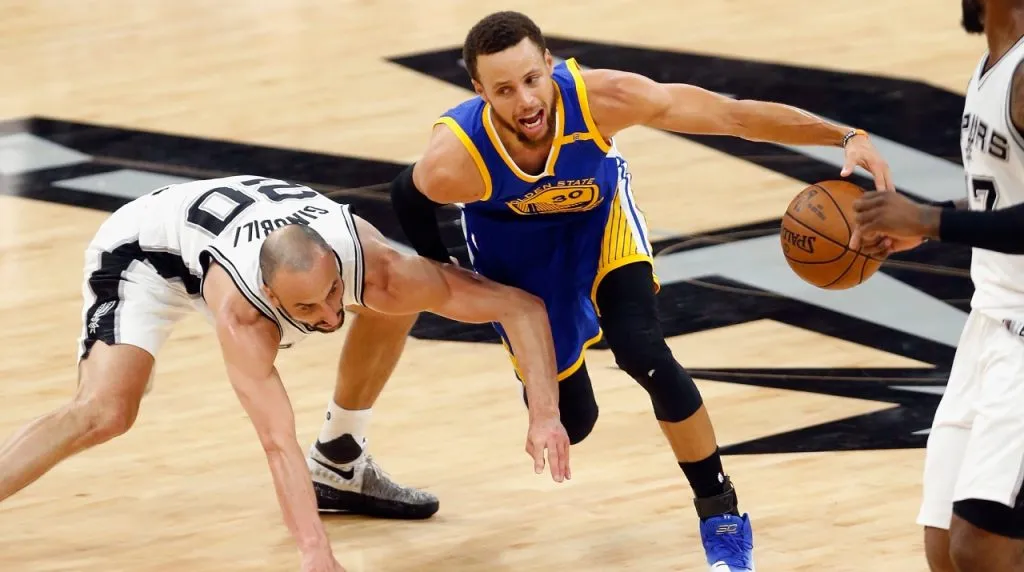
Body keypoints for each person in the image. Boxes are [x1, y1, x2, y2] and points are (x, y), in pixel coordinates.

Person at [388, 10, 894, 572]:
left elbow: (733, 117)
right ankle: (555, 390)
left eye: (532, 80)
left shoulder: (606, 99)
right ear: (480, 91)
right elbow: (405, 196)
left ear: (550, 65)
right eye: (504, 90)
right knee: (573, 423)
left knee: (644, 352)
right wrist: (445, 273)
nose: (526, 101)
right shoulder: (456, 157)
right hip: (514, 258)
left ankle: (721, 516)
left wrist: (844, 135)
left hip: (599, 226)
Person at [0, 175, 571, 572]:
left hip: (235, 224)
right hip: (146, 256)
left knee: (392, 305)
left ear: (332, 261)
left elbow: (521, 307)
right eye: (305, 311)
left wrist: (545, 413)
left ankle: (342, 460)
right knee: (108, 411)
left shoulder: (380, 270)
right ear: (271, 296)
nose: (328, 317)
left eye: (331, 294)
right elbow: (276, 443)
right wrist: (313, 551)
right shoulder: (243, 314)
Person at [852, 1, 1024, 569]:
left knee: (981, 546)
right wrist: (920, 224)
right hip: (988, 325)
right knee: (942, 549)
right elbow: (997, 196)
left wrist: (931, 222)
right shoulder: (992, 66)